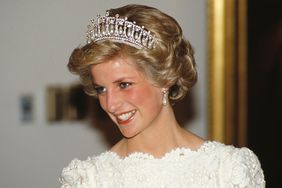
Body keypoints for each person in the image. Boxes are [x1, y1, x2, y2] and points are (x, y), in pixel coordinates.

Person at [59, 4, 265, 188]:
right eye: (101, 89)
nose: (110, 104)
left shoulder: (229, 171)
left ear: (166, 78)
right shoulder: (88, 179)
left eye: (124, 84)